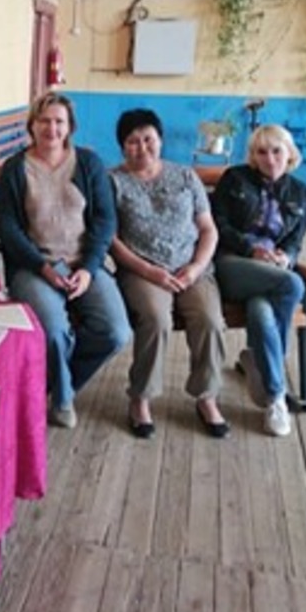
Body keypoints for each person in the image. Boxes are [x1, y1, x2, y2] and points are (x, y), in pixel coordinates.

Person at [0, 91, 131, 428]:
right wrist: (43, 268)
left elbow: (104, 220)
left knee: (116, 332)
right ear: (32, 125)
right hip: (34, 266)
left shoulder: (88, 163)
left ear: (70, 127)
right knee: (54, 331)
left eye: (59, 121)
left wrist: (88, 269)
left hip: (84, 264)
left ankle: (57, 381)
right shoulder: (15, 168)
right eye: (44, 121)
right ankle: (63, 399)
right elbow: (9, 229)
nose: (51, 128)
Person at [110, 109, 229, 439]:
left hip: (192, 268)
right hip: (142, 270)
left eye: (148, 139)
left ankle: (206, 396)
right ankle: (141, 397)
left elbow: (208, 229)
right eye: (133, 141)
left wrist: (195, 268)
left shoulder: (186, 176)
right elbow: (111, 240)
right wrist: (149, 270)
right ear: (122, 146)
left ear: (160, 141)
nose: (142, 147)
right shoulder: (113, 181)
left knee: (209, 320)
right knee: (156, 318)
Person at [212, 124, 306, 438]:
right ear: (253, 156)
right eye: (262, 152)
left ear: (289, 152)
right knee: (293, 285)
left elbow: (294, 241)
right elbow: (218, 225)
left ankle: (274, 396)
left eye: (276, 151)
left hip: (271, 274)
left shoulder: (300, 192)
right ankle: (271, 371)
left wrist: (285, 258)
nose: (270, 159)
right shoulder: (235, 179)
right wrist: (250, 249)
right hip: (233, 264)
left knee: (261, 312)